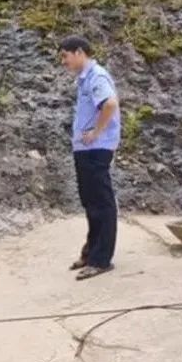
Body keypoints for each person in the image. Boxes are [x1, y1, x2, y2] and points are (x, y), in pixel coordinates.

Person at [59, 35, 121, 281]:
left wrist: (96, 132)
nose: (63, 61)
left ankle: (101, 259)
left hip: (96, 149)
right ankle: (91, 252)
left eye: (65, 55)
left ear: (79, 52)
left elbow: (110, 104)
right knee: (90, 202)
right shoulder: (85, 80)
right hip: (86, 151)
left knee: (101, 203)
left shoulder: (96, 76)